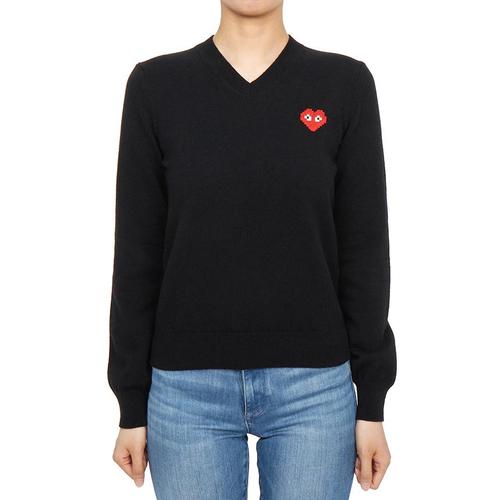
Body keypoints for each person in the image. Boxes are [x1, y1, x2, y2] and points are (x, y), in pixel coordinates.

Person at [107, 1, 397, 498]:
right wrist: (130, 404)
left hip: (314, 390)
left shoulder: (344, 84)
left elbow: (365, 250)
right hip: (185, 393)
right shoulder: (156, 87)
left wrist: (371, 402)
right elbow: (136, 254)